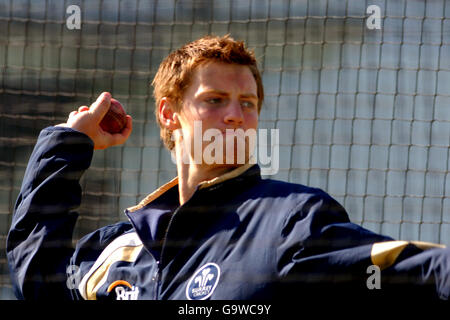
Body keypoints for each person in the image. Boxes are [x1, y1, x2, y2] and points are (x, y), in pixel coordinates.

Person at [6, 35, 450, 302]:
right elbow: (38, 276)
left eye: (248, 104)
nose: (236, 115)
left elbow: (417, 270)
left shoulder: (288, 222)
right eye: (215, 100)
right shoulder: (120, 251)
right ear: (168, 114)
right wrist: (68, 145)